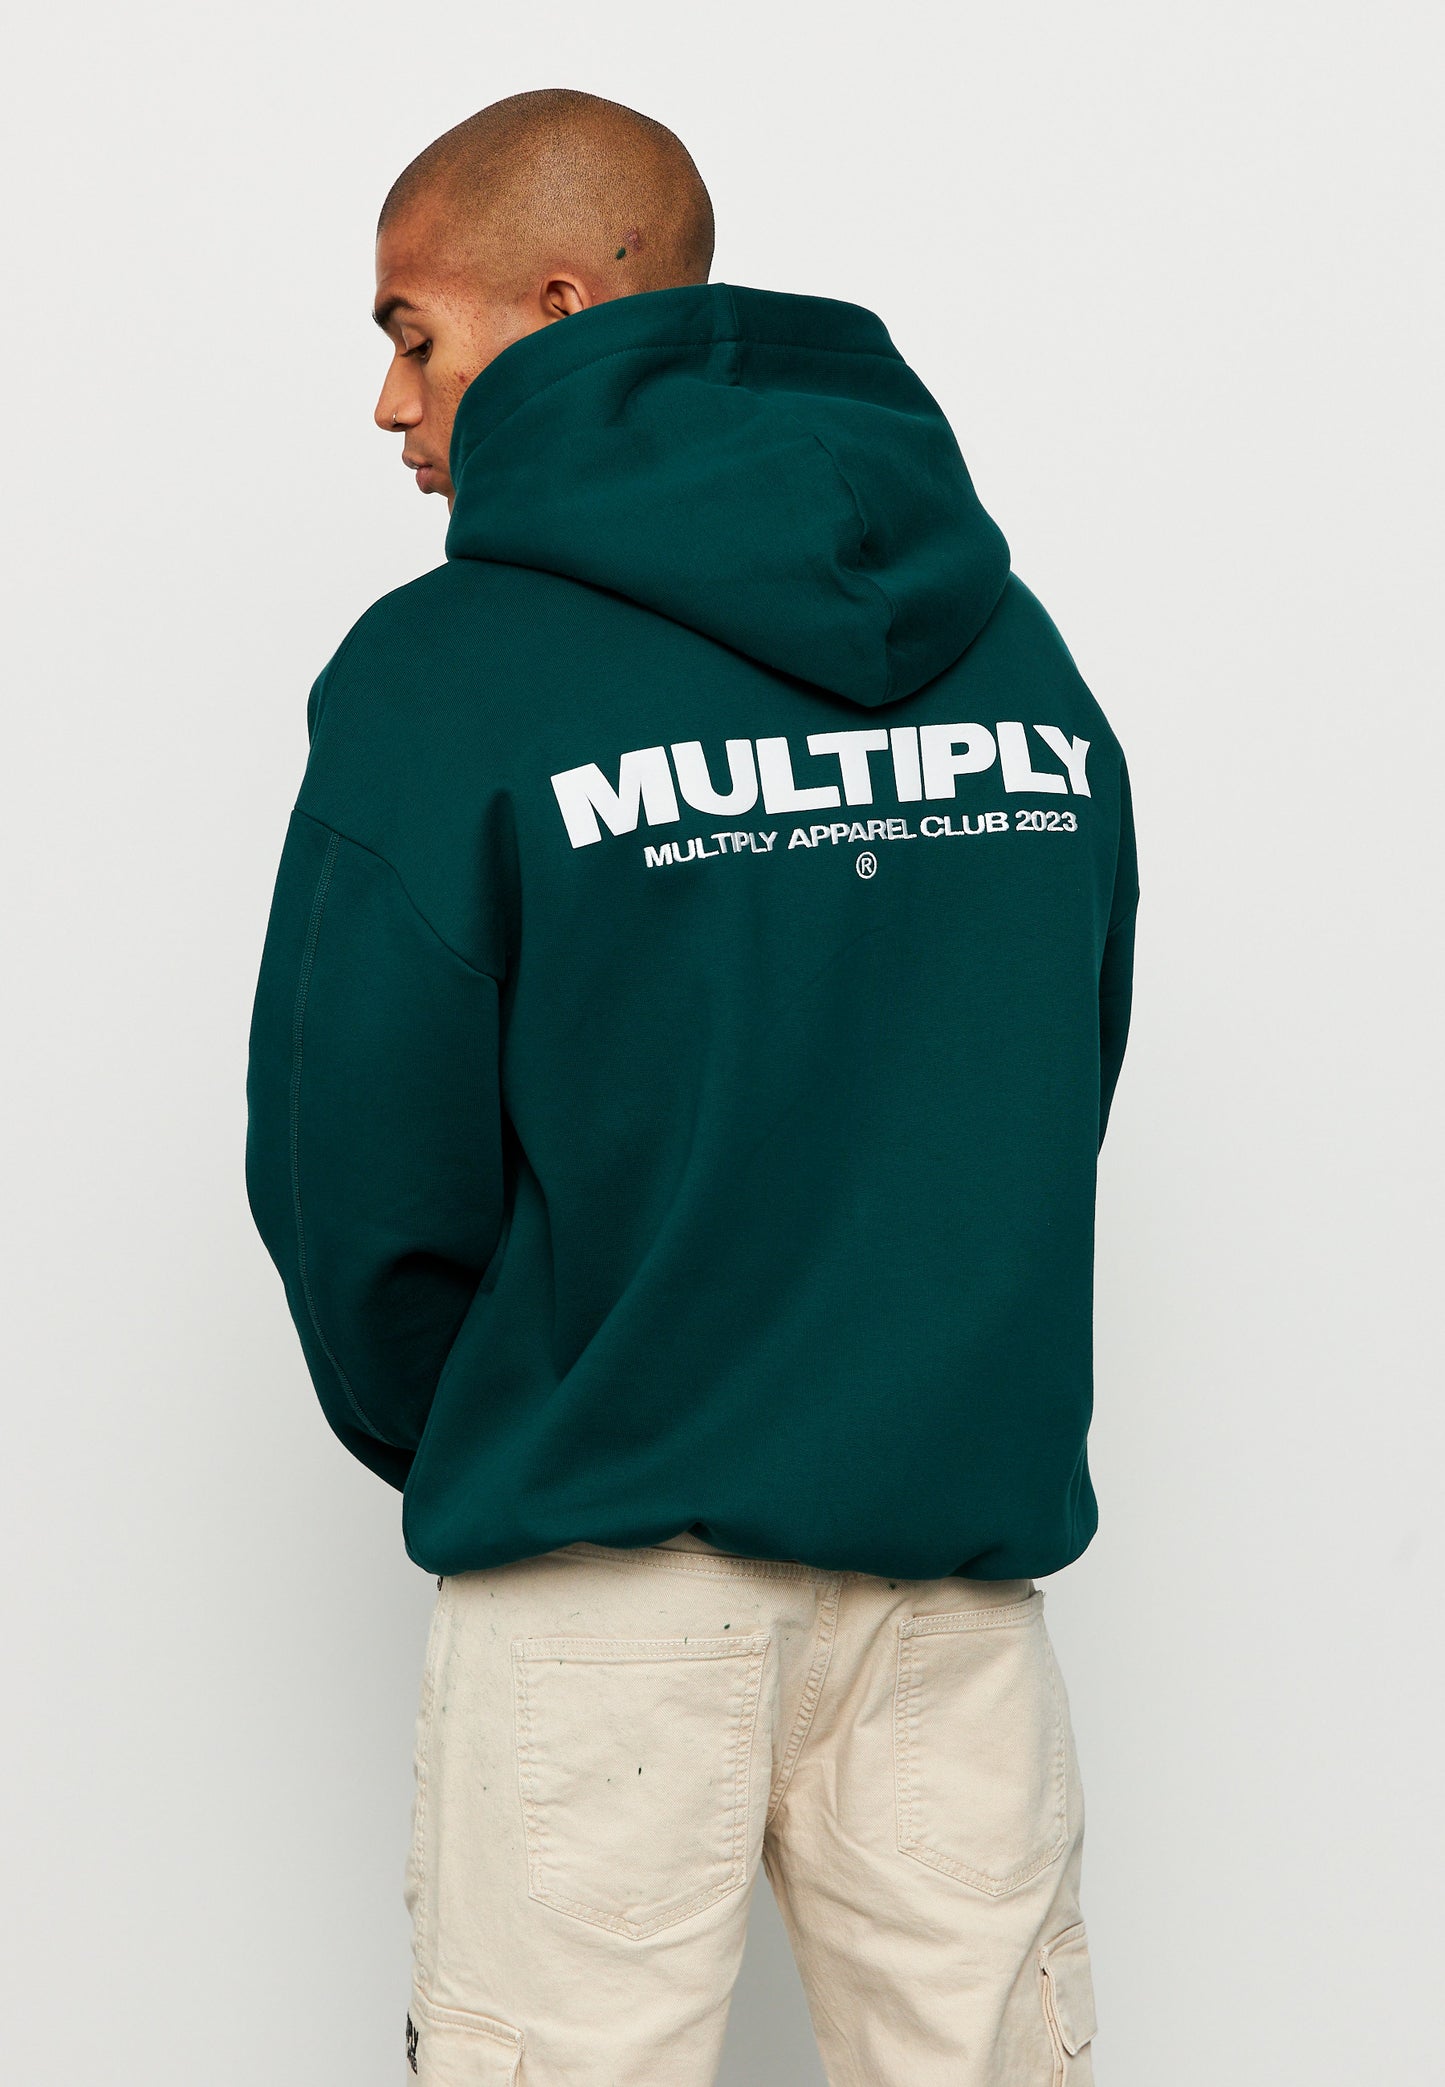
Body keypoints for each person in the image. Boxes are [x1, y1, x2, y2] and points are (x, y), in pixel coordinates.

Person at [246, 86, 1135, 2087]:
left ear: (561, 306)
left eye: (415, 335)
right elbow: (1054, 1060)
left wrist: (536, 1415)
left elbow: (352, 1163)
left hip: (605, 1582)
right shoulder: (1016, 657)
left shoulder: (449, 671)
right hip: (951, 1576)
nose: (393, 405)